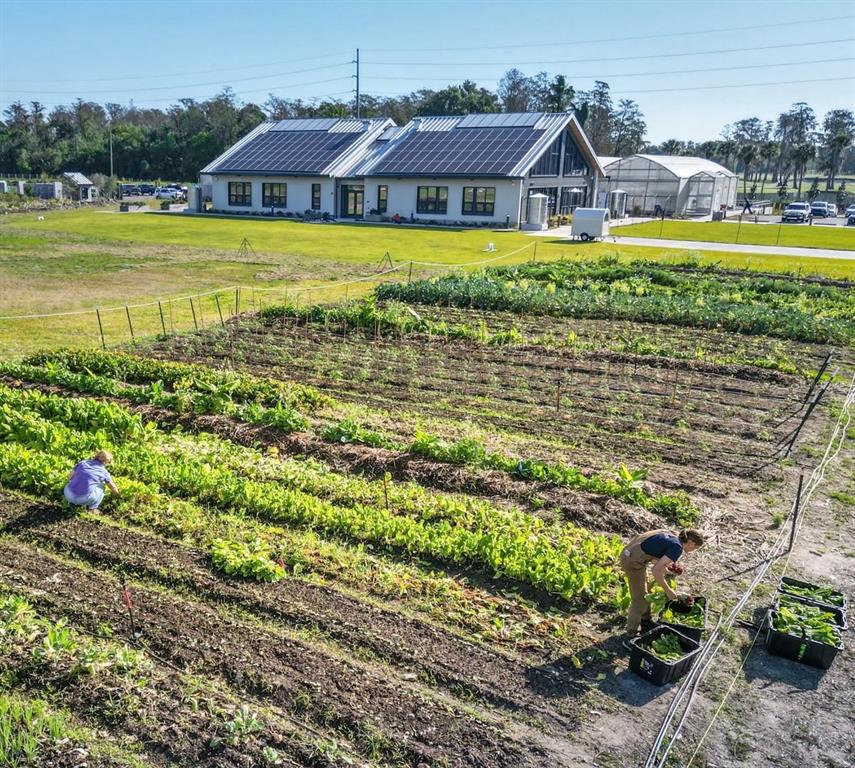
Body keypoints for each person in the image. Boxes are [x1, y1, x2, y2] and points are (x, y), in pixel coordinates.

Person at [620, 528, 705, 635]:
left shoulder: (673, 536)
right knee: (640, 598)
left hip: (632, 554)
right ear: (691, 543)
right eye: (696, 548)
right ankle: (631, 632)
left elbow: (655, 557)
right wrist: (668, 590)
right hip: (632, 561)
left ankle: (646, 621)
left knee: (645, 591)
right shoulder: (677, 548)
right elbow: (655, 570)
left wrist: (670, 572)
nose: (694, 550)